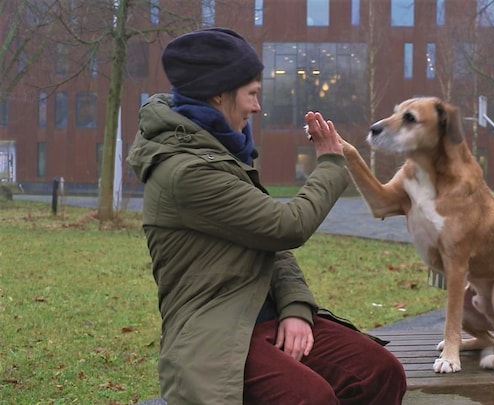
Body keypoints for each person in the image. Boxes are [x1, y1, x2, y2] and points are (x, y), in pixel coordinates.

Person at [126, 28, 406, 404]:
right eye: (252, 94)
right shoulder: (186, 172)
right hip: (216, 327)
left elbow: (268, 246)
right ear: (218, 94)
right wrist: (331, 163)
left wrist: (294, 307)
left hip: (267, 313)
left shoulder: (221, 151)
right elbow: (284, 228)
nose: (258, 106)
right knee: (310, 397)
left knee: (379, 372)